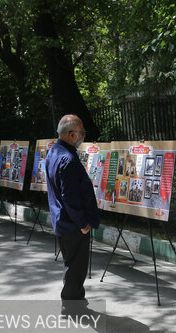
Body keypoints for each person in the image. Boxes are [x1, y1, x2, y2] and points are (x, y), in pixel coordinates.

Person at [46, 114, 100, 313]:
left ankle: (77, 299)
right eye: (81, 133)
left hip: (62, 220)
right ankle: (70, 306)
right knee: (76, 267)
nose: (83, 136)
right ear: (71, 134)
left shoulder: (54, 152)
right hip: (72, 223)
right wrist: (83, 224)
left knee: (73, 264)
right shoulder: (67, 159)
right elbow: (70, 197)